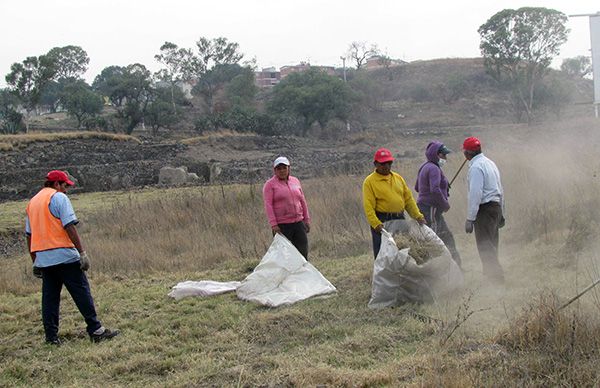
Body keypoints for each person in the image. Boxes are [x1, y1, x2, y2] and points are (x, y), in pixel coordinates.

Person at [26, 170, 119, 345]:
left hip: (44, 260)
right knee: (81, 292)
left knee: (50, 299)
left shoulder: (32, 202)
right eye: (65, 185)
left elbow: (29, 235)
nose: (66, 189)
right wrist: (82, 252)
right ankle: (96, 330)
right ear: (56, 184)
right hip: (65, 256)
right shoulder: (59, 198)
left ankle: (51, 338)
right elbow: (69, 226)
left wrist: (35, 261)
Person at [362, 147, 426, 259]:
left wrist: (418, 216)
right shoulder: (369, 182)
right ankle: (385, 276)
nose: (386, 166)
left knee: (404, 252)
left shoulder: (398, 178)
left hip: (400, 219)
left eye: (389, 163)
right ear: (376, 164)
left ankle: (404, 275)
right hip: (382, 222)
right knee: (384, 255)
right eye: (383, 163)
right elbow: (368, 206)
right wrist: (376, 224)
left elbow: (408, 200)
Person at [462, 137, 506, 283]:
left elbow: (476, 194)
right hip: (496, 207)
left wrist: (470, 218)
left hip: (484, 210)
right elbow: (500, 189)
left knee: (485, 245)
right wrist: (502, 212)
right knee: (493, 244)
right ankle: (491, 276)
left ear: (467, 154)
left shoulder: (476, 168)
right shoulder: (490, 163)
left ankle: (496, 278)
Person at [415, 141, 462, 267]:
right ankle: (436, 268)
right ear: (437, 155)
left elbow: (417, 187)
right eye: (444, 155)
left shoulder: (424, 167)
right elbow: (434, 189)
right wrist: (445, 204)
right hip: (431, 209)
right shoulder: (434, 169)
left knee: (447, 237)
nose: (445, 158)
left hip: (426, 207)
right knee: (434, 239)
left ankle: (456, 267)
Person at [262, 156, 311, 259]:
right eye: (279, 168)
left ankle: (301, 274)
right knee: (284, 255)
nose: (282, 171)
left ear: (289, 168)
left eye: (284, 168)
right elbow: (268, 205)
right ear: (275, 170)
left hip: (298, 222)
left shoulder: (295, 181)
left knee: (302, 251)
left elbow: (302, 200)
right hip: (282, 225)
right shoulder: (270, 185)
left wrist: (306, 219)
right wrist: (274, 224)